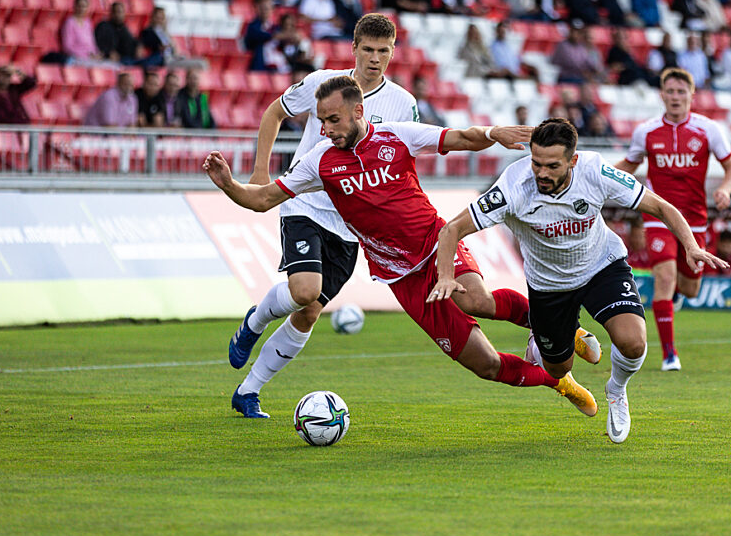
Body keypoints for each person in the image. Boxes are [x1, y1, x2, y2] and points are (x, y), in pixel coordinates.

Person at [205, 76, 600, 419]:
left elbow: (459, 137)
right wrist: (229, 185)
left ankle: (563, 328)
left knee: (475, 299)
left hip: (436, 244)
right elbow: (263, 200)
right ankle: (556, 381)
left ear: (358, 111)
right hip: (401, 277)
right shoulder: (320, 161)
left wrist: (494, 132)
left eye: (333, 119)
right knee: (486, 364)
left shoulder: (397, 135)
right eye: (322, 121)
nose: (325, 129)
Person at [221, 14, 519, 417]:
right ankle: (255, 322)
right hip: (305, 205)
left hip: (353, 224)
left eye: (383, 51)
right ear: (354, 49)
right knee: (305, 290)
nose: (375, 59)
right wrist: (260, 171)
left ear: (393, 53)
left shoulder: (402, 103)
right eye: (368, 50)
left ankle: (249, 391)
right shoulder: (322, 84)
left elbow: (404, 158)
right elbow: (275, 112)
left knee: (310, 311)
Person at [430, 118, 727, 442]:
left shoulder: (595, 171)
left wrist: (691, 246)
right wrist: (445, 275)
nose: (541, 173)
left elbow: (659, 205)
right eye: (536, 162)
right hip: (549, 285)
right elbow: (452, 229)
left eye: (552, 166)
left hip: (601, 266)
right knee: (558, 369)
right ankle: (546, 336)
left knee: (633, 341)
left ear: (573, 160)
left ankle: (616, 389)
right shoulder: (513, 187)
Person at [615, 68, 731, 371]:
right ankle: (670, 354)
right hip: (658, 215)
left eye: (681, 92)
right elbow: (628, 165)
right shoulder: (645, 132)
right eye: (670, 91)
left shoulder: (707, 129)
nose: (675, 97)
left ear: (691, 96)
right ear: (662, 95)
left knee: (690, 288)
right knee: (665, 277)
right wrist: (596, 177)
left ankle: (676, 297)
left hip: (695, 220)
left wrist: (725, 188)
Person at [61, 0, 104, 65]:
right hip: (77, 58)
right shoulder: (69, 22)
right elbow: (67, 47)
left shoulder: (88, 22)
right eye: (79, 6)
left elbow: (92, 43)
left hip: (91, 58)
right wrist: (86, 55)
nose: (81, 9)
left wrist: (96, 53)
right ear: (75, 6)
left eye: (84, 6)